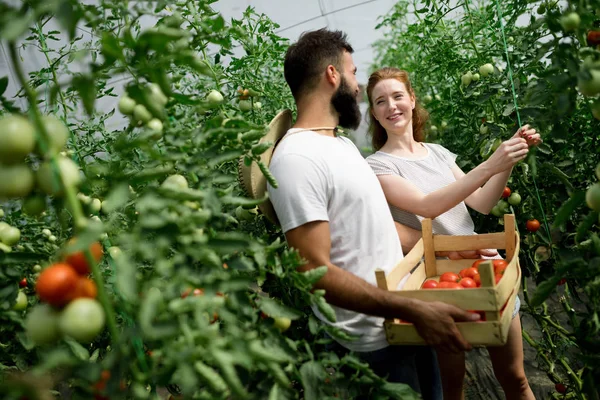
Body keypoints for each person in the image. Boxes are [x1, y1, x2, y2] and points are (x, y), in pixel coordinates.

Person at [266, 28, 485, 399]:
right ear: (332, 75)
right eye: (352, 73)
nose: (356, 86)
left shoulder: (343, 147)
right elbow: (312, 272)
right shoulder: (297, 160)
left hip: (405, 321)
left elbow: (381, 229)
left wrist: (452, 251)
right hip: (371, 345)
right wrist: (407, 307)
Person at [365, 67, 539, 400]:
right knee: (453, 389)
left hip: (485, 270)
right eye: (381, 101)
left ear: (413, 100)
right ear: (374, 113)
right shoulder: (379, 165)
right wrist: (490, 163)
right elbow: (427, 206)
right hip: (441, 283)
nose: (392, 106)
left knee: (515, 378)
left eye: (398, 96)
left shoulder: (439, 152)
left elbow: (483, 202)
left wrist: (507, 161)